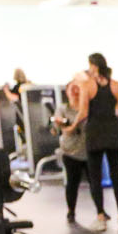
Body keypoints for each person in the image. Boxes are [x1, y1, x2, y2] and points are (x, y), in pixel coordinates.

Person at [69, 53, 118, 232]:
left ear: (93, 66)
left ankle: (101, 217)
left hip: (95, 134)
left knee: (95, 178)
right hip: (112, 134)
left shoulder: (87, 85)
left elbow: (83, 113)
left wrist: (71, 127)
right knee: (116, 176)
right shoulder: (117, 85)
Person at [50, 78, 88, 223]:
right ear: (67, 92)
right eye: (72, 89)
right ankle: (71, 210)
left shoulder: (86, 108)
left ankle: (100, 211)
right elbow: (55, 129)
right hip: (70, 150)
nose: (75, 91)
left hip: (87, 149)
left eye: (77, 88)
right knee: (72, 182)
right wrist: (60, 124)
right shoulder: (62, 109)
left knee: (94, 182)